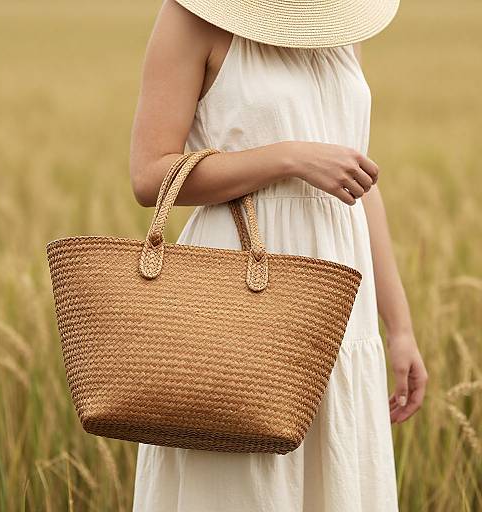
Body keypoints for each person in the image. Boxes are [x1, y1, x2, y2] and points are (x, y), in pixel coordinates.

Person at [128, 0, 428, 510]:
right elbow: (149, 174)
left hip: (338, 292)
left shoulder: (333, 24)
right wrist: (289, 157)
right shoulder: (191, 17)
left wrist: (398, 327)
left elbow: (358, 181)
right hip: (241, 284)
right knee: (241, 479)